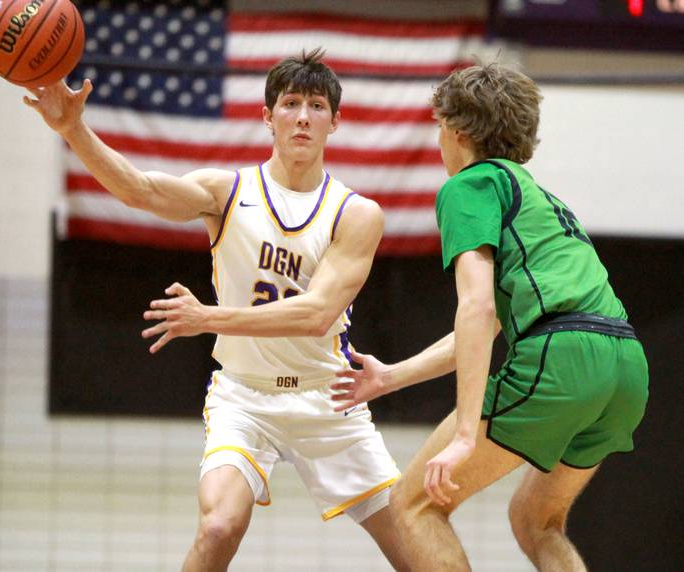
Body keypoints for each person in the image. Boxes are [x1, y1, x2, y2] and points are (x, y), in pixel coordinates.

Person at [23, 49, 409, 571]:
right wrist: (74, 131)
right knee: (220, 525)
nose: (302, 116)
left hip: (327, 398)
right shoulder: (227, 192)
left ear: (335, 122)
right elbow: (140, 190)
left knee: (418, 549)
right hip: (245, 398)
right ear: (267, 115)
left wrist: (207, 317)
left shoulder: (357, 213)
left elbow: (315, 315)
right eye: (290, 103)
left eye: (316, 106)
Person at [332, 63, 649, 570]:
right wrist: (391, 377)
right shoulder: (539, 198)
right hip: (625, 366)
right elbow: (484, 327)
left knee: (414, 505)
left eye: (439, 127)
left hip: (563, 356)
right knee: (536, 520)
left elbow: (476, 308)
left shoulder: (470, 186)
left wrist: (464, 435)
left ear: (457, 133)